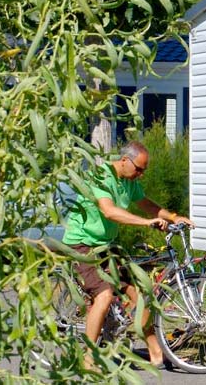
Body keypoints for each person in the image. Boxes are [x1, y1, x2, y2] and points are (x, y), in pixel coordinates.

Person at [62, 141, 194, 370]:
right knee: (103, 297)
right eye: (139, 169)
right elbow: (109, 211)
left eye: (144, 170)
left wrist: (174, 217)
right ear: (124, 161)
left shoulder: (128, 180)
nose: (141, 175)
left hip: (106, 245)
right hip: (81, 245)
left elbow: (146, 204)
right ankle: (88, 359)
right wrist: (146, 223)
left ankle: (155, 352)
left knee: (140, 294)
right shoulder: (100, 177)